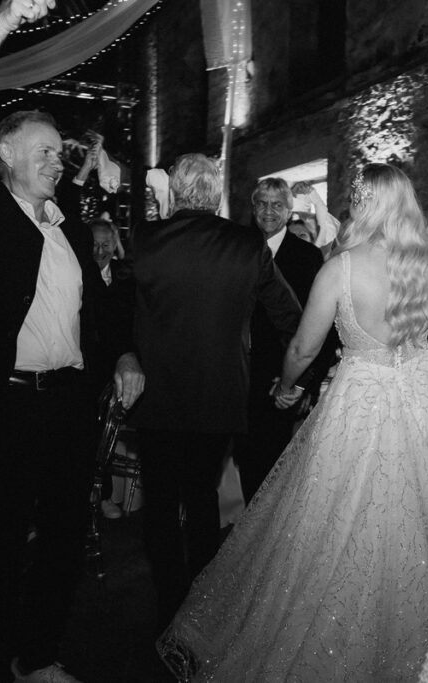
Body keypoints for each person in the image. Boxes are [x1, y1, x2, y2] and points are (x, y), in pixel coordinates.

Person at [158, 133, 428, 681]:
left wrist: (284, 386)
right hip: (423, 397)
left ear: (366, 203)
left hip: (361, 401)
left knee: (335, 517)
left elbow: (303, 347)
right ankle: (422, 633)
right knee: (421, 509)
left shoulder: (341, 268)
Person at [0, 1, 144, 681]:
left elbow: (96, 311)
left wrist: (127, 352)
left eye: (60, 150)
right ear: (5, 156)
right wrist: (6, 18)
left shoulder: (69, 225)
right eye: (43, 150)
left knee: (65, 538)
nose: (58, 159)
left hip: (67, 405)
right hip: (6, 407)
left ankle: (39, 655)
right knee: (2, 543)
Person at [127, 153, 303, 633]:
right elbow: (290, 316)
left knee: (161, 505)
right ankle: (202, 606)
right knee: (203, 499)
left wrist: (126, 355)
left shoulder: (145, 239)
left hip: (157, 399)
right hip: (221, 397)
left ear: (178, 195)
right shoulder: (248, 246)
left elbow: (122, 313)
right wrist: (297, 376)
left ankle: (169, 604)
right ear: (216, 196)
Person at [234, 177, 332, 505]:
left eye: (277, 205)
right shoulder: (236, 250)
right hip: (237, 374)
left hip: (281, 377)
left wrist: (302, 381)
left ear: (290, 212)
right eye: (261, 203)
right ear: (252, 208)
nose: (268, 211)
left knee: (275, 466)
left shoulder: (306, 257)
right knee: (244, 459)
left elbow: (316, 325)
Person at [88, 218, 134, 520]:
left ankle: (101, 494)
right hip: (86, 370)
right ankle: (94, 495)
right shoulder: (78, 274)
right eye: (94, 244)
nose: (100, 250)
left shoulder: (126, 275)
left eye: (106, 244)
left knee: (108, 437)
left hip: (119, 367)